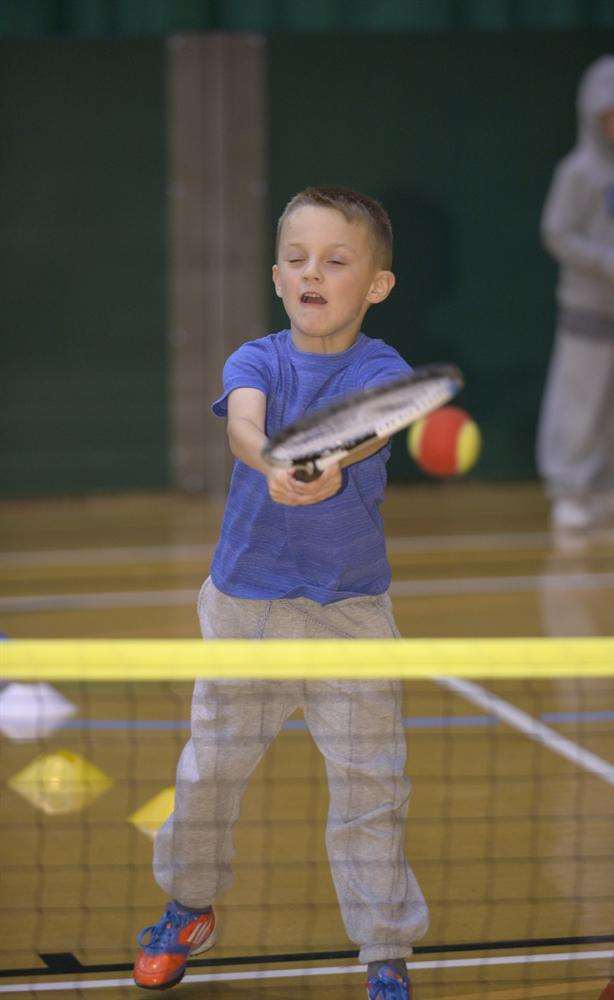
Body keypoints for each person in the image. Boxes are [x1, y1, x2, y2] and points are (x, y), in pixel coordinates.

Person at [133, 187, 428, 998]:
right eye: (297, 259)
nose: (313, 273)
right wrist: (272, 460)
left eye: (337, 261)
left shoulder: (382, 370)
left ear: (376, 285)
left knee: (373, 790)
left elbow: (374, 423)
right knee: (209, 774)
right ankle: (189, 906)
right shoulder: (253, 360)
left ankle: (384, 951)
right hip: (246, 608)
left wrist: (330, 459)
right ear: (275, 274)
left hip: (352, 615)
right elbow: (243, 425)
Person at [536, 55, 614, 530]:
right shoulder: (579, 172)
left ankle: (611, 485)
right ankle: (570, 490)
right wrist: (607, 263)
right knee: (581, 405)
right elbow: (557, 232)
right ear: (596, 116)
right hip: (589, 314)